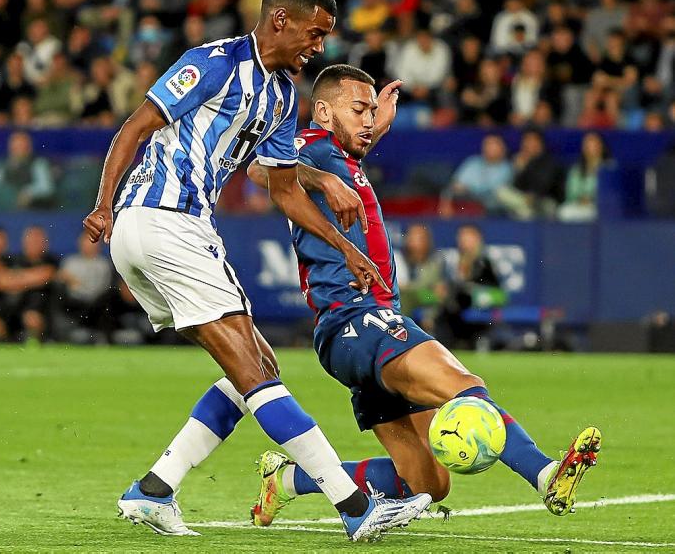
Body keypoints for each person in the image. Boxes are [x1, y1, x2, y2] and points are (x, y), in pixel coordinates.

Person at [81, 0, 430, 541]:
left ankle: (154, 490)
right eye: (314, 35)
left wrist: (346, 248)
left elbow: (284, 187)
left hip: (160, 232)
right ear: (280, 20)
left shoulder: (280, 97)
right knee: (254, 373)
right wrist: (103, 204)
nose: (319, 48)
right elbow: (137, 125)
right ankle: (353, 505)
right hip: (167, 222)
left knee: (257, 365)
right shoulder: (215, 62)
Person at [245, 64, 600, 526]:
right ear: (324, 112)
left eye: (372, 112)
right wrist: (323, 182)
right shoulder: (313, 147)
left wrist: (374, 124)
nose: (369, 120)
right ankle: (546, 475)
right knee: (465, 389)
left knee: (428, 484)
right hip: (357, 318)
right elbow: (259, 168)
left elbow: (343, 151)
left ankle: (290, 480)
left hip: (356, 332)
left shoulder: (341, 158)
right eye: (359, 110)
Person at [434, 223, 506, 347]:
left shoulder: (484, 260)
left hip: (480, 302)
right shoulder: (455, 259)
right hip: (459, 305)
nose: (462, 241)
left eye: (466, 237)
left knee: (456, 297)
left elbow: (492, 287)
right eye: (460, 237)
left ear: (477, 239)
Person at [0, 131, 55, 211]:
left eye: (21, 146)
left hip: (31, 208)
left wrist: (28, 192)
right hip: (5, 206)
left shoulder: (38, 163)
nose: (18, 150)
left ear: (29, 147)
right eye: (15, 147)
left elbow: (46, 188)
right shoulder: (2, 165)